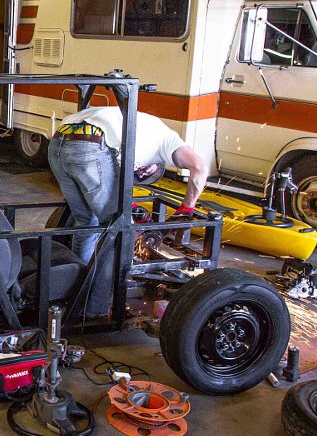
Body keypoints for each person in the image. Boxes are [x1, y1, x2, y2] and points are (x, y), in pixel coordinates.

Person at [47, 105, 208, 320]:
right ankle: (95, 309)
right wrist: (187, 208)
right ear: (155, 166)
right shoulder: (169, 140)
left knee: (86, 221)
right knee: (119, 233)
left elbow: (111, 182)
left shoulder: (137, 132)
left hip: (58, 143)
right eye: (143, 173)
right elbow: (200, 166)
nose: (139, 173)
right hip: (89, 145)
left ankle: (76, 290)